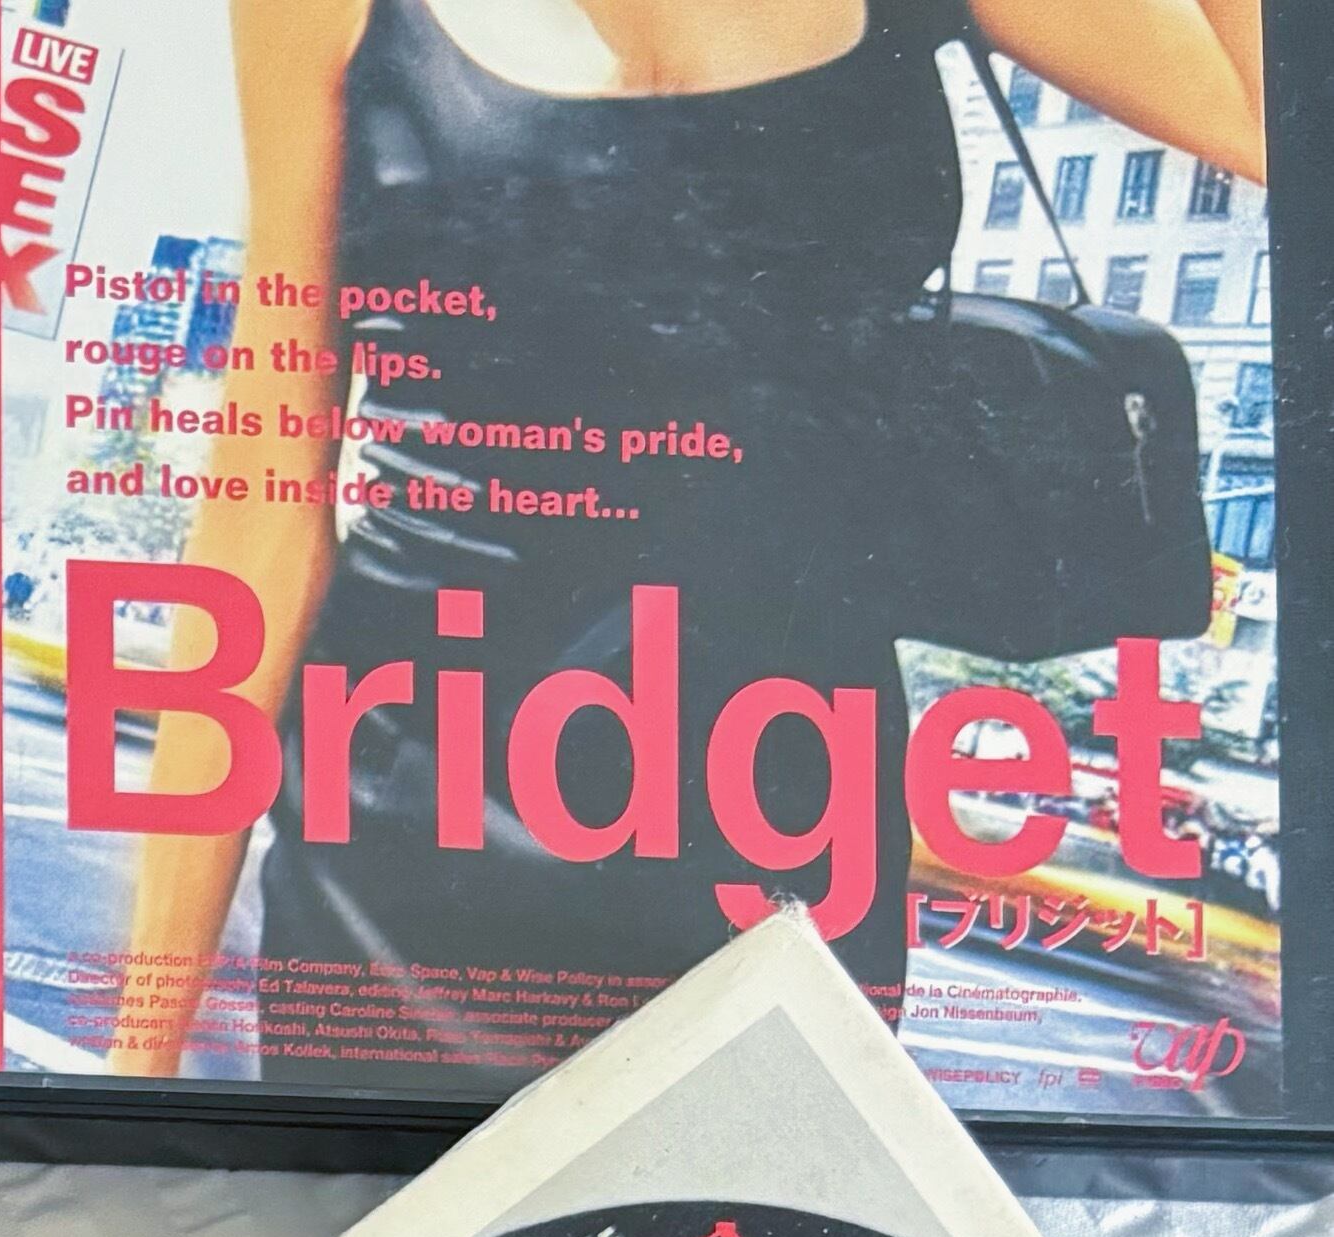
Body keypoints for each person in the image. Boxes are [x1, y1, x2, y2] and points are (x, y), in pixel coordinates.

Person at [100, 0, 1271, 1082]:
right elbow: (261, 510)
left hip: (786, 814)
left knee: (765, 1227)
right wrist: (141, 1059)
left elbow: (1277, 121)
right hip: (409, 831)